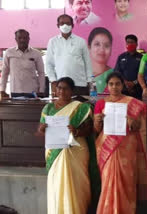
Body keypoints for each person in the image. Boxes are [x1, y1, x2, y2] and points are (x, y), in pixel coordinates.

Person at [38, 77, 100, 214]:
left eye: (65, 88)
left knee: (77, 185)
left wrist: (77, 131)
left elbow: (90, 129)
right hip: (55, 151)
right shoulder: (48, 108)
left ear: (72, 90)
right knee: (57, 185)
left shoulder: (81, 107)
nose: (61, 91)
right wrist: (41, 129)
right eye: (59, 88)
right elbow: (41, 131)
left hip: (76, 151)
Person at [94, 72, 147, 214]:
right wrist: (98, 121)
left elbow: (138, 127)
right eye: (111, 84)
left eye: (117, 84)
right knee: (107, 182)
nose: (114, 87)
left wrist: (132, 122)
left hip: (127, 147)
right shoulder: (101, 103)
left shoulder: (133, 103)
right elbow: (96, 129)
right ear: (107, 86)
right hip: (107, 147)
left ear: (122, 85)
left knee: (127, 181)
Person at [46, 14, 93, 96]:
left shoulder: (81, 41)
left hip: (79, 84)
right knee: (63, 108)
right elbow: (49, 64)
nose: (65, 25)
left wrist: (89, 81)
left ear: (72, 25)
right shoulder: (53, 42)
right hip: (61, 86)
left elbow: (87, 63)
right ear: (58, 25)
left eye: (68, 23)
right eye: (62, 23)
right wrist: (53, 80)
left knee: (80, 108)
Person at [0, 29, 45, 98]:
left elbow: (41, 73)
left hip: (32, 91)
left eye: (25, 38)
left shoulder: (36, 53)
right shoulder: (9, 52)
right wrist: (2, 90)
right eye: (19, 38)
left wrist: (41, 90)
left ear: (29, 39)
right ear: (16, 39)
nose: (22, 40)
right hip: (15, 91)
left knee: (32, 109)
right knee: (16, 109)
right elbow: (5, 72)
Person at [114, 34, 143, 99]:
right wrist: (125, 83)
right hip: (123, 90)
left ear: (136, 44)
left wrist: (134, 83)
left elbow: (143, 74)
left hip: (137, 90)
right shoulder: (121, 57)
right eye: (128, 42)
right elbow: (117, 73)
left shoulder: (141, 58)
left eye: (132, 42)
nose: (129, 44)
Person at [88, 27, 113, 93]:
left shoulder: (114, 74)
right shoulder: (81, 74)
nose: (102, 49)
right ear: (89, 47)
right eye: (97, 44)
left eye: (106, 45)